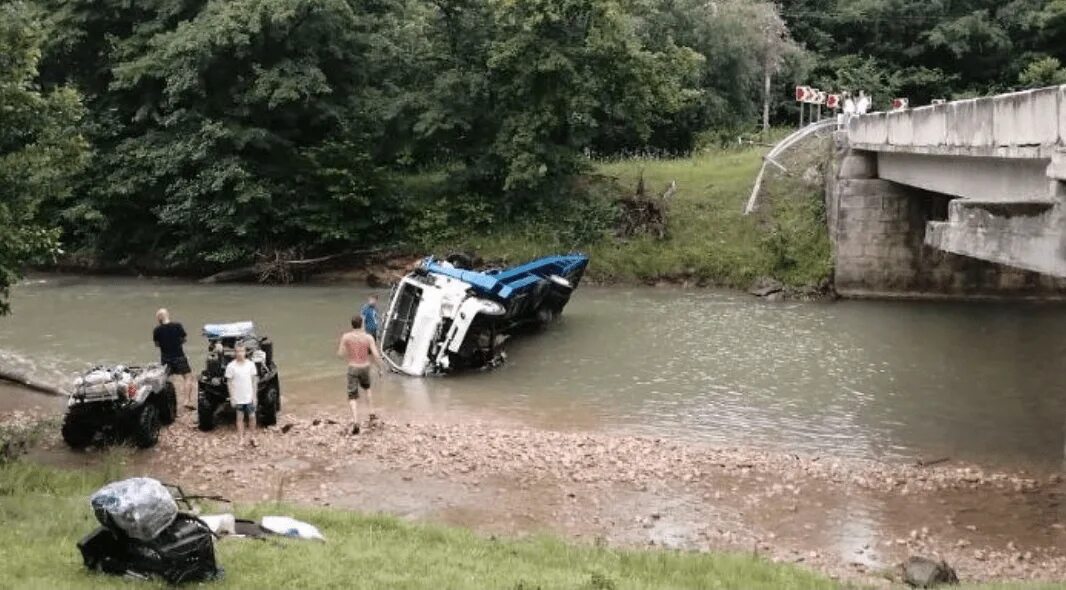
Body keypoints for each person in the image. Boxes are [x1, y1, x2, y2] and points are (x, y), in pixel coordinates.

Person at [337, 315, 384, 435]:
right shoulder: (368, 337)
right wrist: (380, 368)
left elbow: (340, 354)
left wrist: (350, 352)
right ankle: (372, 414)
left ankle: (356, 421)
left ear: (352, 325)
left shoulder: (346, 337)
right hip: (365, 367)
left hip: (353, 367)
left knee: (352, 396)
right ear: (362, 324)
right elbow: (376, 354)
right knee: (367, 389)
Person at [153, 309, 195, 411]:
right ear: (168, 315)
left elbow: (157, 345)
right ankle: (186, 400)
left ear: (159, 318)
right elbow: (184, 339)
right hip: (179, 356)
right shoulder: (177, 326)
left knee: (164, 380)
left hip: (166, 358)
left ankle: (165, 403)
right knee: (188, 377)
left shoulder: (157, 330)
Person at [224, 343, 258, 447]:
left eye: (242, 351)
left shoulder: (250, 364)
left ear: (245, 352)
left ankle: (252, 437)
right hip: (238, 397)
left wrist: (254, 396)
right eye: (238, 351)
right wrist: (232, 398)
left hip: (249, 396)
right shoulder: (231, 366)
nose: (240, 353)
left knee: (252, 416)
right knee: (240, 418)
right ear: (235, 353)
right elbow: (229, 383)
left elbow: (254, 381)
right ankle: (241, 439)